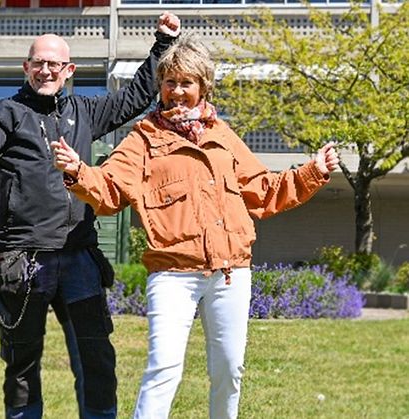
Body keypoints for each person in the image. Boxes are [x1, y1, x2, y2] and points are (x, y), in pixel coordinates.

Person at [0, 13, 182, 419]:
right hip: (22, 260)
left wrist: (163, 42)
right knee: (21, 364)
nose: (46, 70)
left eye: (55, 64)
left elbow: (136, 95)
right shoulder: (5, 114)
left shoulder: (86, 112)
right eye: (39, 62)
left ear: (69, 71)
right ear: (26, 67)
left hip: (79, 257)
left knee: (97, 358)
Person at [51, 33, 340, 419]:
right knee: (164, 367)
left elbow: (264, 191)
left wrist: (312, 172)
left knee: (229, 370)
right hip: (172, 273)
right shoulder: (144, 138)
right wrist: (78, 172)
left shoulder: (223, 135)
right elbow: (109, 190)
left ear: (203, 85)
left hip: (229, 272)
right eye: (170, 82)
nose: (177, 91)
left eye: (186, 82)